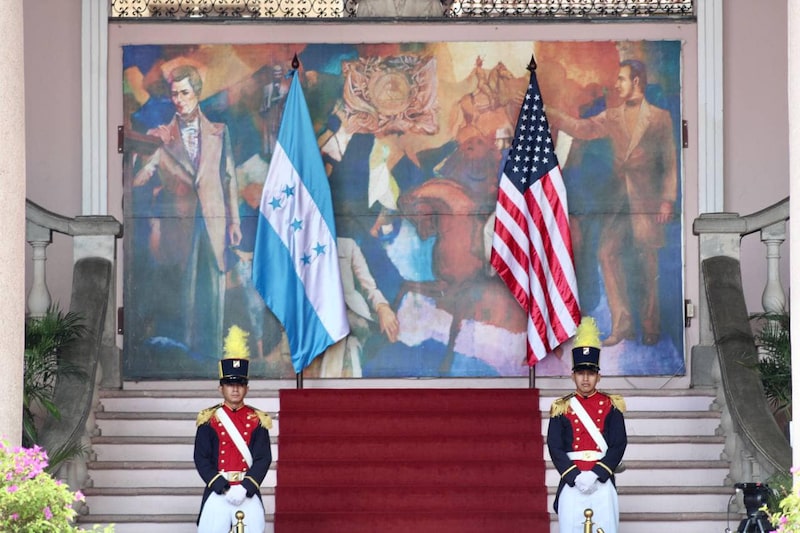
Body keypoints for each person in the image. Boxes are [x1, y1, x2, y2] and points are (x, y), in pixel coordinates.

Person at [548, 59, 678, 346]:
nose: (616, 83)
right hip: (618, 199)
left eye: (621, 78)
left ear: (636, 81)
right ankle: (623, 326)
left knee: (648, 261)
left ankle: (650, 326)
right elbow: (581, 128)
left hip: (647, 200)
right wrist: (550, 113)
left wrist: (667, 200)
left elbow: (669, 163)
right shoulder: (612, 116)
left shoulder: (659, 118)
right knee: (607, 254)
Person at [133, 64, 242, 360]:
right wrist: (139, 158)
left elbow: (228, 177)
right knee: (186, 286)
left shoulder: (220, 132)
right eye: (174, 94)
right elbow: (141, 176)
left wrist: (234, 221)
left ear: (197, 94)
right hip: (179, 223)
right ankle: (188, 351)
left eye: (184, 93)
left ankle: (214, 349)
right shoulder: (160, 136)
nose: (179, 99)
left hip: (215, 220)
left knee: (215, 281)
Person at [547, 316, 627, 533]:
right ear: (573, 376)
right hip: (572, 480)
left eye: (590, 373)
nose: (585, 379)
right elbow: (555, 447)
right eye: (581, 373)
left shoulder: (612, 405)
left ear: (598, 376)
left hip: (601, 479)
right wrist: (574, 476)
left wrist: (597, 473)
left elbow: (619, 444)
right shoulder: (561, 407)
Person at [193, 325, 272, 533]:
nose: (235, 388)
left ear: (247, 387)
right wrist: (222, 486)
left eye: (240, 384)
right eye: (230, 384)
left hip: (247, 491)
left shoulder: (257, 420)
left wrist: (246, 487)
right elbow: (202, 458)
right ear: (221, 388)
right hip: (218, 490)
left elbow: (263, 458)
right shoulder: (209, 419)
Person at [319, 236, 400, 377]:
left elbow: (369, 286)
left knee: (345, 342)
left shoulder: (347, 245)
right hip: (320, 320)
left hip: (351, 319)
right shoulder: (303, 245)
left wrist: (382, 307)